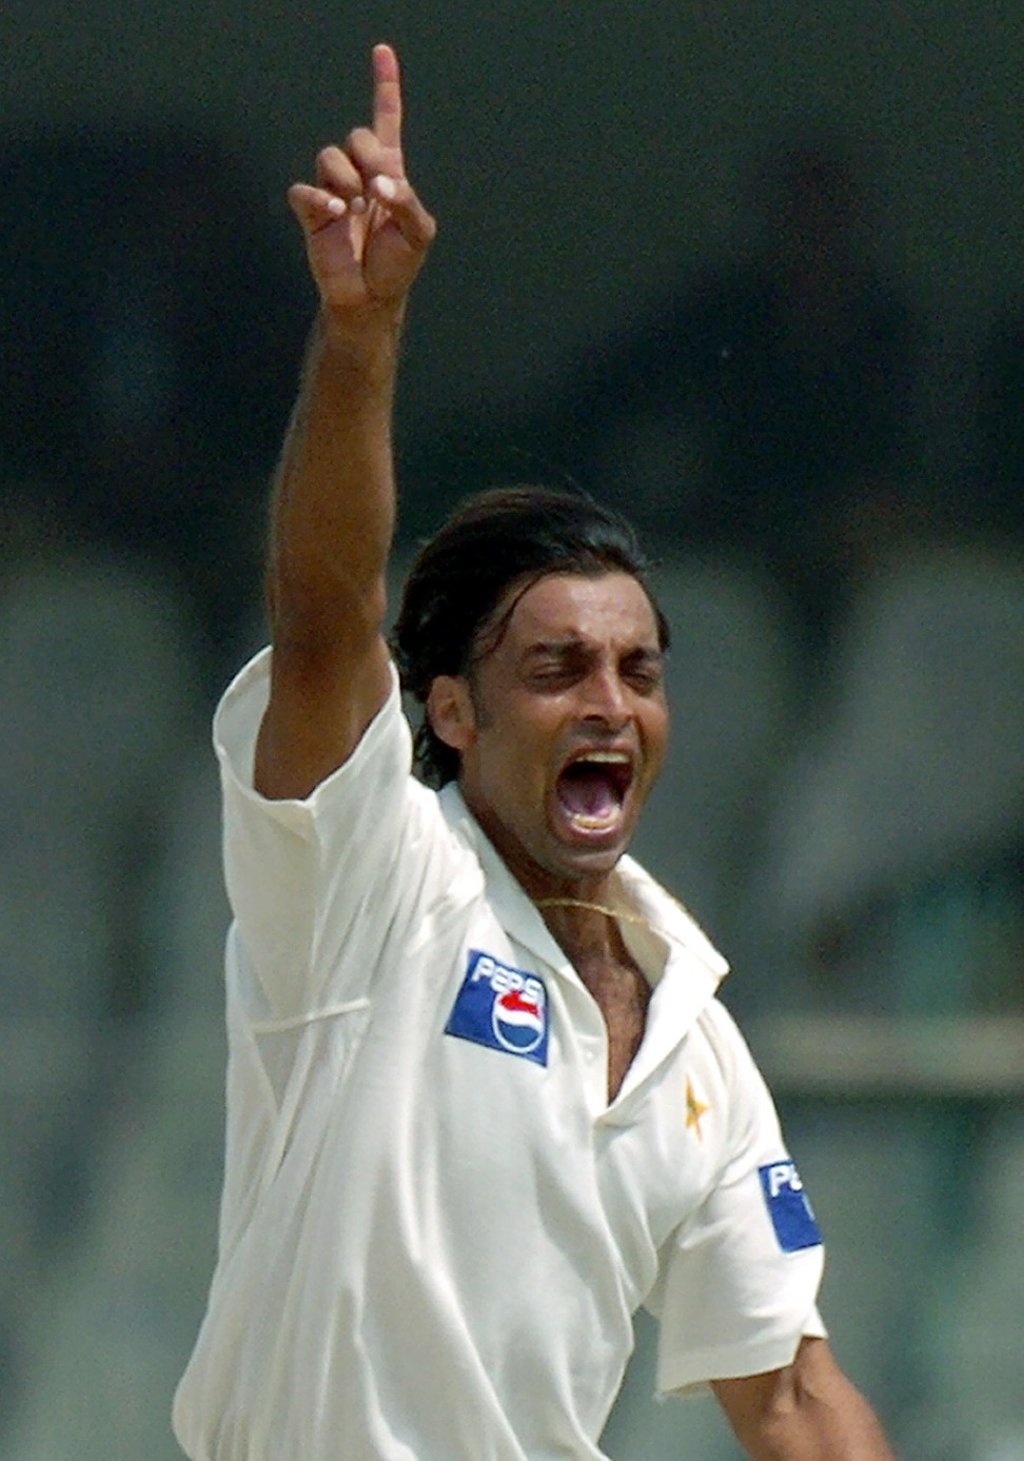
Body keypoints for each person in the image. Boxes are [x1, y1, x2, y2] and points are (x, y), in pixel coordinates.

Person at [174, 43, 895, 1460]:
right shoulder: (375, 880)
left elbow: (793, 1396)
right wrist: (363, 332)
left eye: (640, 671)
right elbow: (323, 621)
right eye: (556, 670)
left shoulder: (691, 1026)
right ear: (450, 711)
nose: (611, 704)